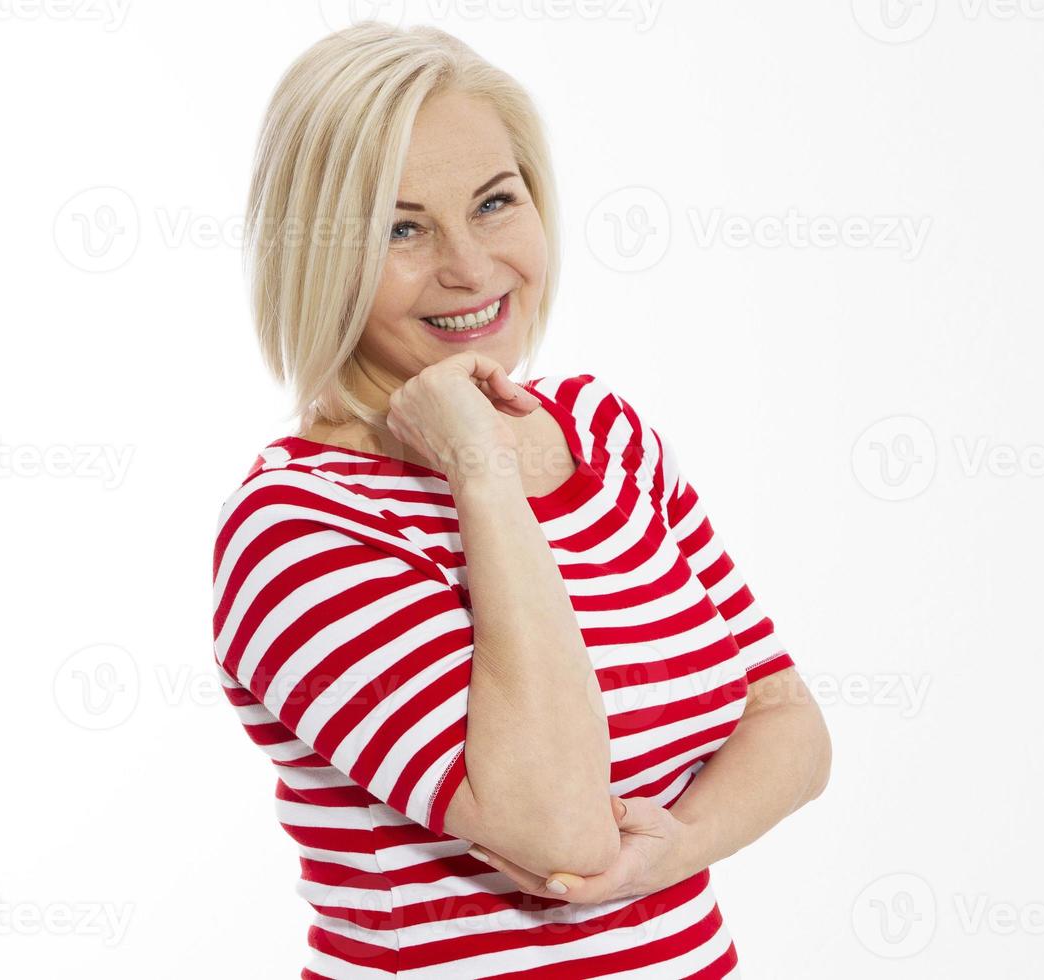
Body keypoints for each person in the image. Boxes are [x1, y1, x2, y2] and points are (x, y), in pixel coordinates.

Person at [210, 22, 831, 978]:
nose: (469, 266)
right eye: (401, 228)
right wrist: (479, 470)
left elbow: (789, 723)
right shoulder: (299, 527)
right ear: (318, 256)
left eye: (495, 203)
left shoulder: (602, 434)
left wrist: (675, 845)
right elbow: (558, 835)